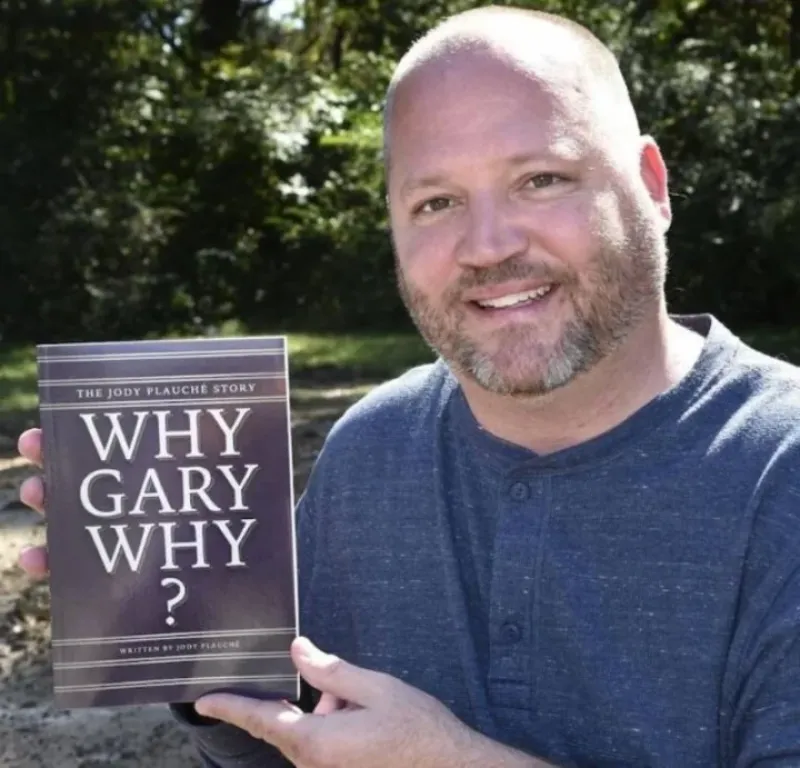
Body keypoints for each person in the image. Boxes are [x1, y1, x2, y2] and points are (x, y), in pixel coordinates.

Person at [15, 5, 800, 767]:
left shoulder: (781, 469)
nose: (487, 246)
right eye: (437, 202)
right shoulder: (369, 448)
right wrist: (201, 642)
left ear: (652, 187)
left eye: (541, 179)